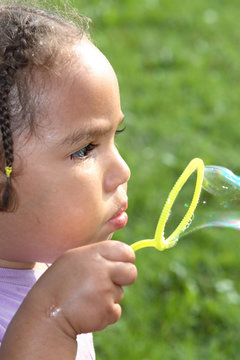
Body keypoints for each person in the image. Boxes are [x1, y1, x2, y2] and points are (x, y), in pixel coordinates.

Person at [0, 2, 137, 359]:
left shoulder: (39, 257)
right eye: (85, 149)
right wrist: (51, 317)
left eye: (115, 134)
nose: (123, 171)